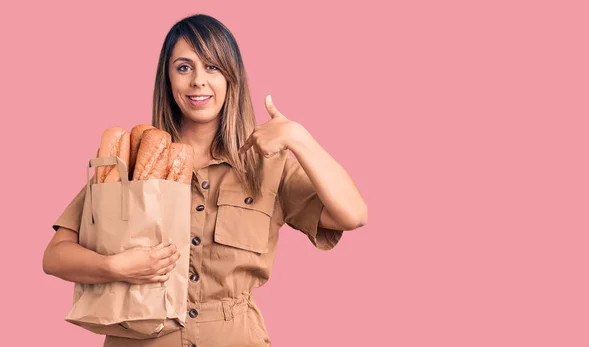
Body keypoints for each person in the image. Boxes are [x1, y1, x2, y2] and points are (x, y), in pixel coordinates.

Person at [43, 13, 367, 347]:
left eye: (212, 67)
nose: (198, 80)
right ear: (168, 79)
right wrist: (115, 267)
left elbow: (353, 214)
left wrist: (300, 139)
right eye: (184, 67)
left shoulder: (267, 165)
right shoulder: (132, 159)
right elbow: (55, 256)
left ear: (231, 77)